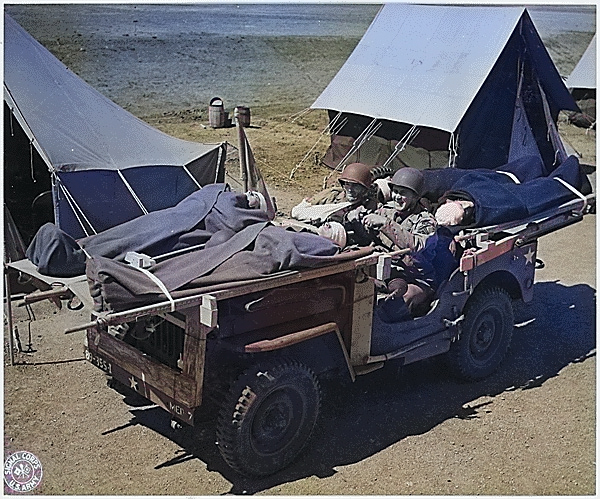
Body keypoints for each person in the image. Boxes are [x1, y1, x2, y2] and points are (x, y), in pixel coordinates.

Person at [359, 167, 449, 320]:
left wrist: (385, 224)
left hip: (417, 278)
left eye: (403, 193)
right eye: (395, 191)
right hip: (389, 272)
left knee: (398, 303)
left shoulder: (425, 221)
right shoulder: (386, 211)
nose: (397, 197)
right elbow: (369, 238)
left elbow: (417, 246)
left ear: (415, 196)